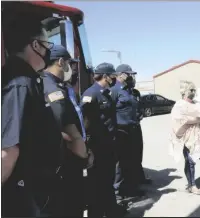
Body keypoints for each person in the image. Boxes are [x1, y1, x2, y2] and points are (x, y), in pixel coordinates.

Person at [1, 18, 65, 217]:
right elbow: (8, 150)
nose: (48, 52)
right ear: (35, 45)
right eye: (47, 45)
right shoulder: (19, 83)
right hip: (22, 191)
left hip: (34, 186)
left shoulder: (29, 79)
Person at [42, 45, 93, 217]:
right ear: (61, 62)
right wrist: (84, 154)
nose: (72, 68)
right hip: (66, 162)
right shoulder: (52, 88)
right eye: (70, 64)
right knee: (71, 206)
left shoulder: (58, 85)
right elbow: (63, 130)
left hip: (66, 159)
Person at [80, 63, 126, 217]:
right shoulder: (91, 94)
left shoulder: (106, 93)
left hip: (109, 145)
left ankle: (111, 210)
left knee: (108, 181)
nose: (114, 79)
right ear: (106, 76)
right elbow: (85, 124)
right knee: (97, 185)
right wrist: (88, 148)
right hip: (97, 148)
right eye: (112, 76)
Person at [170, 81, 200, 195]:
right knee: (191, 162)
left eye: (194, 90)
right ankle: (191, 185)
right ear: (184, 91)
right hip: (189, 139)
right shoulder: (179, 105)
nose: (193, 92)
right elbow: (183, 121)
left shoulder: (197, 103)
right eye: (191, 90)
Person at [110, 64, 147, 199]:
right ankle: (117, 192)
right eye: (129, 74)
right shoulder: (114, 90)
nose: (131, 77)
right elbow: (110, 111)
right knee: (120, 163)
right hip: (121, 131)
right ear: (121, 74)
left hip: (132, 129)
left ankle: (131, 188)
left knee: (131, 161)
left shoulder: (128, 90)